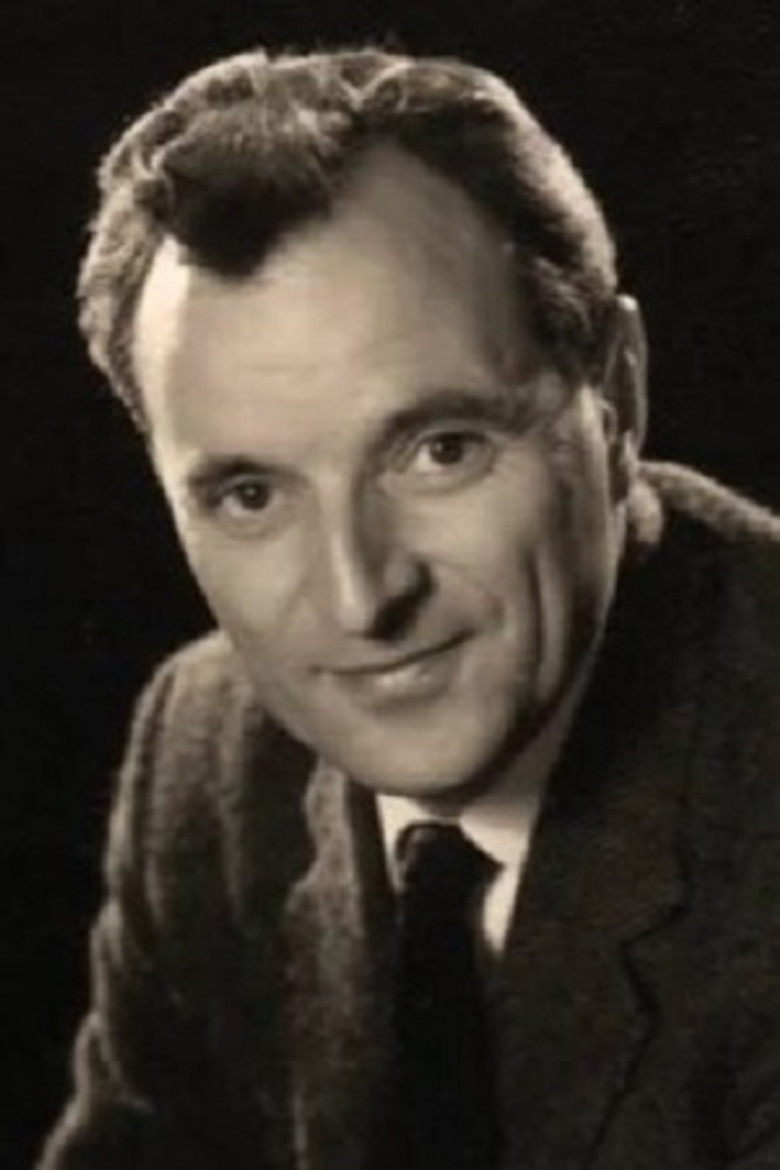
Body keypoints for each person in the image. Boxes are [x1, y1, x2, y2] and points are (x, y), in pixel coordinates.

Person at [39, 46, 780, 1170]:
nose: (361, 598)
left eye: (440, 450)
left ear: (616, 400)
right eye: (250, 494)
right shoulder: (208, 751)